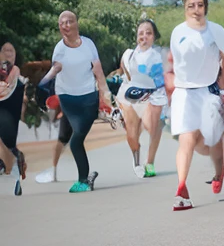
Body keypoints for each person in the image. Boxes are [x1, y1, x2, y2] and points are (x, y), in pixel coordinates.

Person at [166, 0, 224, 211]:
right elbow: (178, 63)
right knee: (187, 139)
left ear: (205, 7)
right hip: (185, 93)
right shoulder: (178, 32)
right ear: (185, 9)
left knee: (211, 141)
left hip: (208, 92)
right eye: (191, 6)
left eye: (200, 5)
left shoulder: (216, 31)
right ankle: (181, 188)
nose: (196, 10)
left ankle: (218, 172)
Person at [36, 11, 112, 192]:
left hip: (88, 97)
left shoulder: (89, 45)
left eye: (69, 21)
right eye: (62, 22)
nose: (65, 25)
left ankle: (85, 179)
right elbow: (55, 69)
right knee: (75, 139)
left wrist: (106, 95)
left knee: (76, 139)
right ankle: (85, 179)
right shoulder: (59, 49)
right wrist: (44, 82)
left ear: (77, 24)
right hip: (67, 98)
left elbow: (98, 71)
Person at [116, 18, 168, 177]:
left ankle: (150, 162)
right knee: (132, 133)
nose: (144, 36)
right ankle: (136, 159)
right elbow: (123, 74)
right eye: (141, 33)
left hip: (155, 96)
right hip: (132, 98)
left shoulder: (162, 55)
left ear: (154, 36)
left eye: (148, 33)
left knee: (153, 127)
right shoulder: (128, 55)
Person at [0, 40, 27, 195]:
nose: (9, 53)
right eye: (5, 50)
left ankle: (17, 177)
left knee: (9, 144)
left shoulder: (15, 70)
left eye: (11, 51)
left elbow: (10, 85)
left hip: (10, 109)